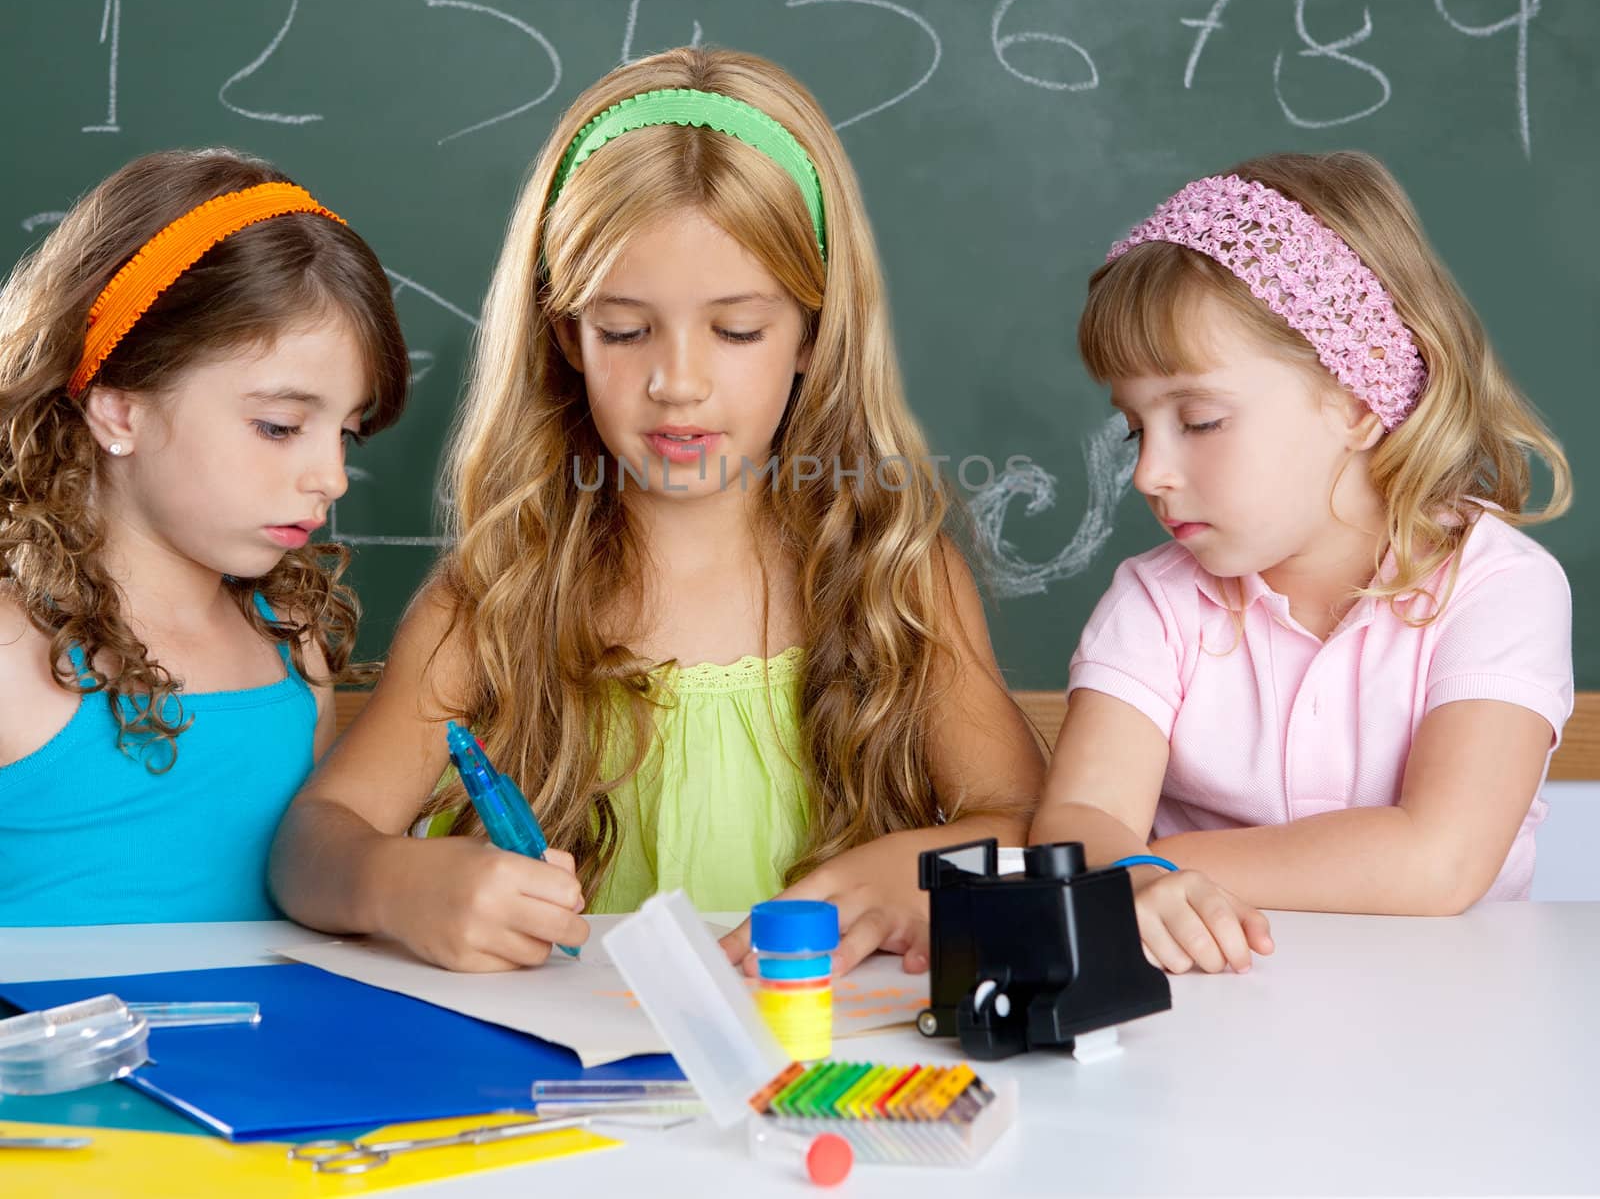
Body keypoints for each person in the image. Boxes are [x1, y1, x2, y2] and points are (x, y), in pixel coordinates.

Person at [270, 47, 1044, 973]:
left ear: (813, 330)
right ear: (565, 336)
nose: (677, 383)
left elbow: (1034, 829)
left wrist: (913, 866)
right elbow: (312, 843)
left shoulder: (894, 580)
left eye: (738, 329)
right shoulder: (497, 598)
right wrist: (394, 886)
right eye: (625, 330)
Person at [1031, 154, 1573, 974]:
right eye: (1138, 428)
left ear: (1358, 402)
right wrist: (1122, 863)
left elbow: (1439, 861)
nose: (1148, 473)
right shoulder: (1155, 601)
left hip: (1449, 1025)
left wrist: (1147, 867)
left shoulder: (1500, 588)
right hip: (1215, 1014)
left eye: (1202, 420)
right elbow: (1078, 817)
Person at [0, 148, 409, 923]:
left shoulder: (292, 648)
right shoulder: (9, 654)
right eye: (279, 426)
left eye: (346, 434)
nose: (331, 476)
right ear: (121, 409)